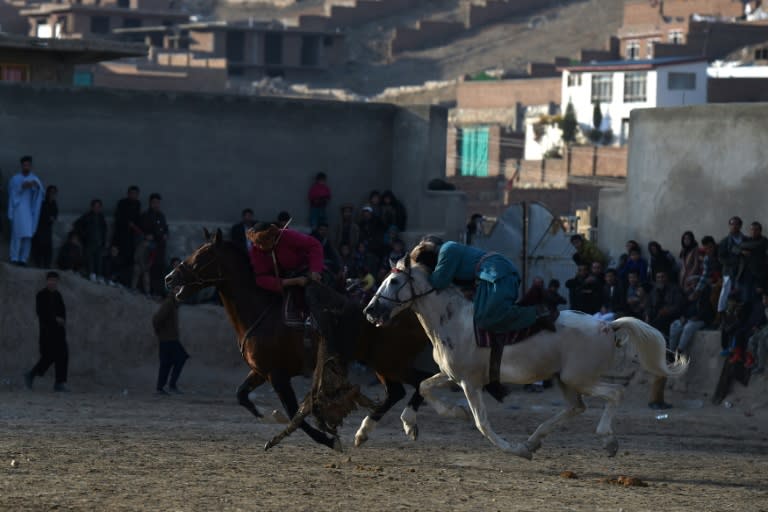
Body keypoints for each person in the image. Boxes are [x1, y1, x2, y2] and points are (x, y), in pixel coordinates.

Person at [419, 239, 555, 396]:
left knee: (489, 317)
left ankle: (537, 312)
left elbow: (438, 282)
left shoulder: (447, 250)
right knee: (481, 319)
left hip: (497, 273)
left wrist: (421, 277)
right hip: (489, 277)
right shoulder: (449, 250)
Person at [24, 271, 69, 392]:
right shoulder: (41, 295)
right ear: (47, 281)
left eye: (55, 280)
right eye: (51, 280)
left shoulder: (58, 295)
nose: (53, 283)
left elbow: (63, 313)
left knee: (63, 356)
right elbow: (41, 313)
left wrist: (62, 320)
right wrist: (55, 319)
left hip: (59, 333)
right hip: (47, 333)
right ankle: (31, 374)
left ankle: (60, 383)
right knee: (48, 357)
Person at [7, 156, 44, 266]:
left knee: (28, 236)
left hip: (30, 210)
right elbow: (11, 193)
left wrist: (36, 188)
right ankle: (14, 257)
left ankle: (23, 259)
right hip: (18, 209)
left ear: (31, 166)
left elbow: (40, 194)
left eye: (28, 165)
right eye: (24, 165)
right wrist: (21, 187)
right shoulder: (15, 178)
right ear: (21, 165)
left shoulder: (35, 178)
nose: (26, 167)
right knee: (17, 234)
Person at [668, 276, 714, 357]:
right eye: (692, 283)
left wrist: (698, 317)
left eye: (696, 283)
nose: (694, 285)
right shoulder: (688, 294)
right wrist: (682, 316)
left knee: (688, 327)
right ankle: (671, 352)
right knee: (675, 326)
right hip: (687, 318)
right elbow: (681, 308)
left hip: (700, 320)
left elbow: (707, 311)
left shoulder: (706, 294)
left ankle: (679, 351)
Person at [153, 293, 189, 394]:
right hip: (168, 339)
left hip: (171, 339)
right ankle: (165, 386)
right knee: (172, 361)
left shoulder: (172, 305)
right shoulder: (169, 304)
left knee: (170, 361)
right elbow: (156, 319)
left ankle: (166, 386)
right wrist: (160, 333)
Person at [112, 186, 142, 285]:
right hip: (121, 236)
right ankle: (116, 279)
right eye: (132, 193)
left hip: (132, 238)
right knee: (119, 258)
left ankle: (126, 282)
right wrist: (127, 223)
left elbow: (138, 220)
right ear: (128, 194)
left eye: (135, 194)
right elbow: (118, 218)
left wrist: (135, 227)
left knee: (130, 260)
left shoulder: (137, 204)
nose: (133, 196)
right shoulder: (122, 203)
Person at [141, 193, 169, 296]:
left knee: (160, 268)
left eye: (158, 203)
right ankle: (150, 291)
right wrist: (154, 236)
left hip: (161, 247)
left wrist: (165, 234)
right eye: (154, 202)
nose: (156, 205)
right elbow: (146, 232)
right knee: (150, 269)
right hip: (151, 247)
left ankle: (159, 291)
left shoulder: (161, 216)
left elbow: (165, 228)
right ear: (150, 203)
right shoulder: (146, 215)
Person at [75, 199, 108, 283]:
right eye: (95, 206)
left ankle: (99, 276)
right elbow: (77, 225)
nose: (97, 208)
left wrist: (104, 241)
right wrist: (83, 236)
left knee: (99, 260)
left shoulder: (101, 217)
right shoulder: (87, 216)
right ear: (92, 207)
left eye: (98, 206)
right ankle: (91, 275)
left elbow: (104, 230)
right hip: (89, 242)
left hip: (99, 242)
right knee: (90, 259)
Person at [718, 216, 746, 311]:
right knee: (725, 295)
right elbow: (721, 258)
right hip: (729, 272)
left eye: (737, 224)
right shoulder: (725, 241)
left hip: (743, 272)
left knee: (741, 295)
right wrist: (733, 263)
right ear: (729, 226)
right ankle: (723, 318)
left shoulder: (745, 239)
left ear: (740, 225)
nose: (734, 226)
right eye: (732, 224)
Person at [31, 185, 58, 268]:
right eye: (51, 192)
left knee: (48, 248)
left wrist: (52, 218)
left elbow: (55, 214)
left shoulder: (54, 203)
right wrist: (48, 218)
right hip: (39, 228)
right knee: (39, 247)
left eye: (54, 193)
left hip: (47, 229)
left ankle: (47, 266)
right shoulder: (42, 202)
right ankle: (38, 265)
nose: (52, 195)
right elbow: (39, 214)